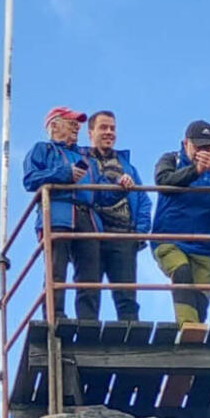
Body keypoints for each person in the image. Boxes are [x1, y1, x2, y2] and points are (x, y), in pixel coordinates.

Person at [151, 119, 210, 327]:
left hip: (204, 245)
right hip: (169, 240)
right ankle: (187, 326)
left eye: (207, 147)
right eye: (198, 146)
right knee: (181, 271)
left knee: (202, 295)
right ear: (186, 143)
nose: (203, 152)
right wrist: (196, 170)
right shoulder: (171, 159)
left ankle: (194, 331)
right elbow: (163, 181)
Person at [23, 106, 102, 321]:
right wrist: (65, 173)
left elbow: (102, 190)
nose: (77, 128)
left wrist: (121, 185)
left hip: (87, 217)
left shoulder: (86, 157)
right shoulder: (43, 149)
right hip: (58, 215)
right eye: (72, 123)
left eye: (77, 124)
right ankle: (55, 315)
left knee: (90, 273)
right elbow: (30, 179)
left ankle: (88, 319)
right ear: (54, 125)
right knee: (56, 269)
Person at [83, 110, 151, 322]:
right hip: (93, 235)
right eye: (103, 127)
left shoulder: (127, 165)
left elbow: (144, 201)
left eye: (112, 128)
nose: (109, 132)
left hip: (123, 236)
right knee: (88, 290)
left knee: (126, 296)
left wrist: (139, 233)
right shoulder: (83, 162)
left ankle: (131, 333)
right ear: (90, 133)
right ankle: (87, 331)